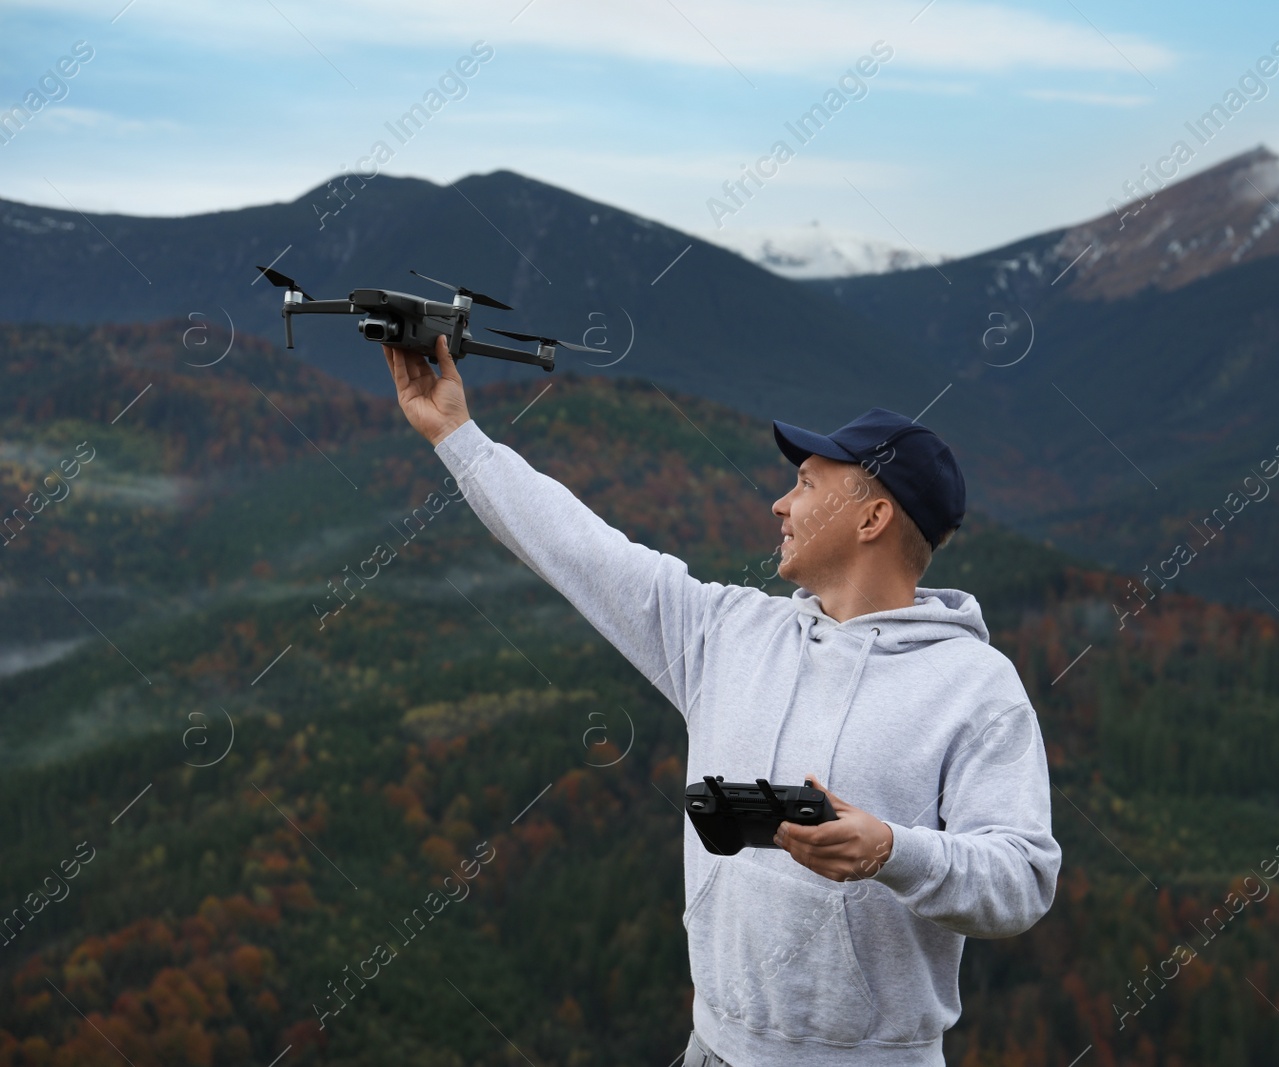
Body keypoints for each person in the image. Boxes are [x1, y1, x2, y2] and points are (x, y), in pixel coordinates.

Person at [386, 335, 1061, 1066]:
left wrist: (893, 851)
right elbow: (578, 547)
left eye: (806, 481)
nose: (780, 501)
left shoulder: (975, 684)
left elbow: (1022, 878)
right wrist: (458, 436)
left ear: (872, 520)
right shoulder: (729, 632)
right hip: (711, 1049)